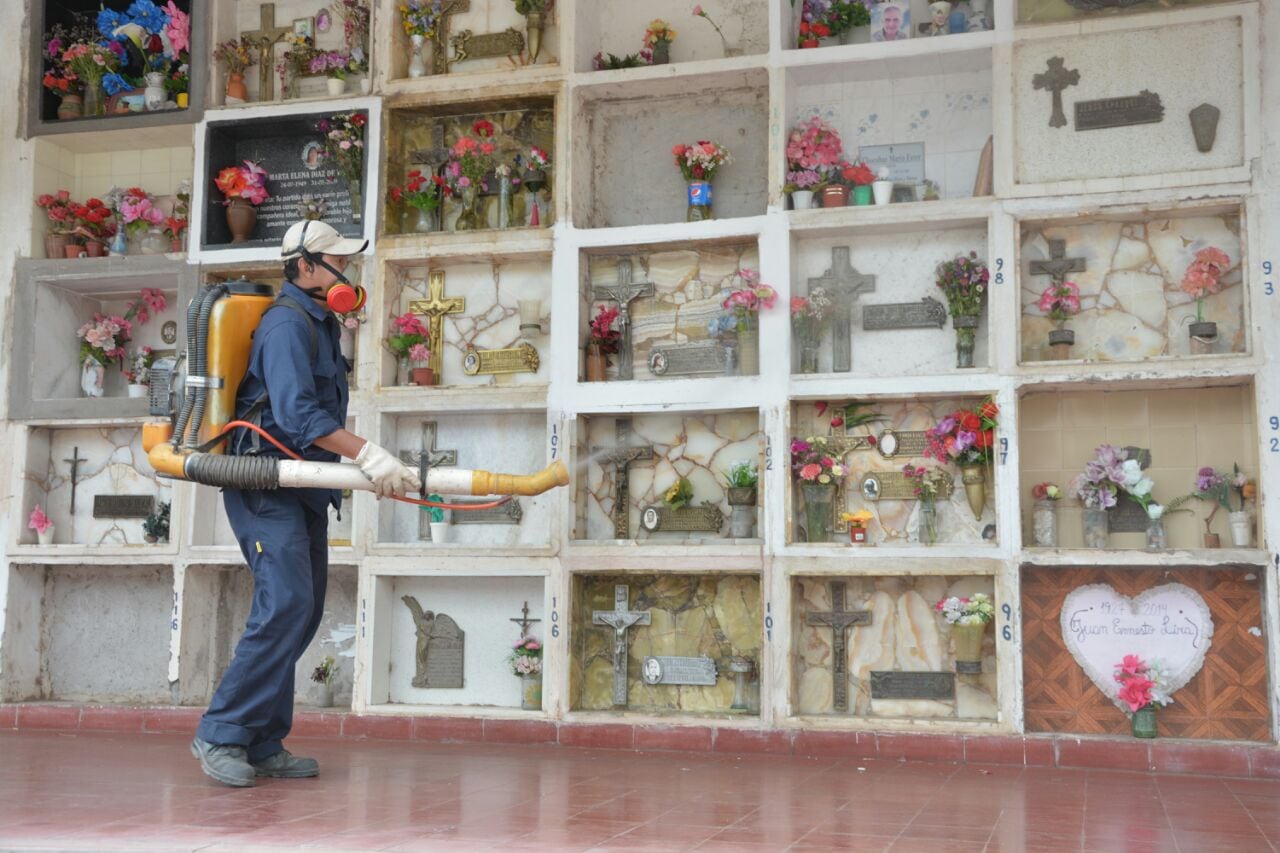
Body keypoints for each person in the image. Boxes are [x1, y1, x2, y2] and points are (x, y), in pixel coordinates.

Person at [191, 220, 421, 787]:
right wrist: (369, 454)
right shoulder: (287, 326)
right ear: (305, 266)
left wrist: (356, 461)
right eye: (339, 260)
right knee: (285, 604)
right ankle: (220, 732)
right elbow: (298, 417)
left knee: (303, 609)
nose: (353, 270)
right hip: (265, 486)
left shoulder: (321, 323)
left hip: (302, 491)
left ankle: (262, 740)